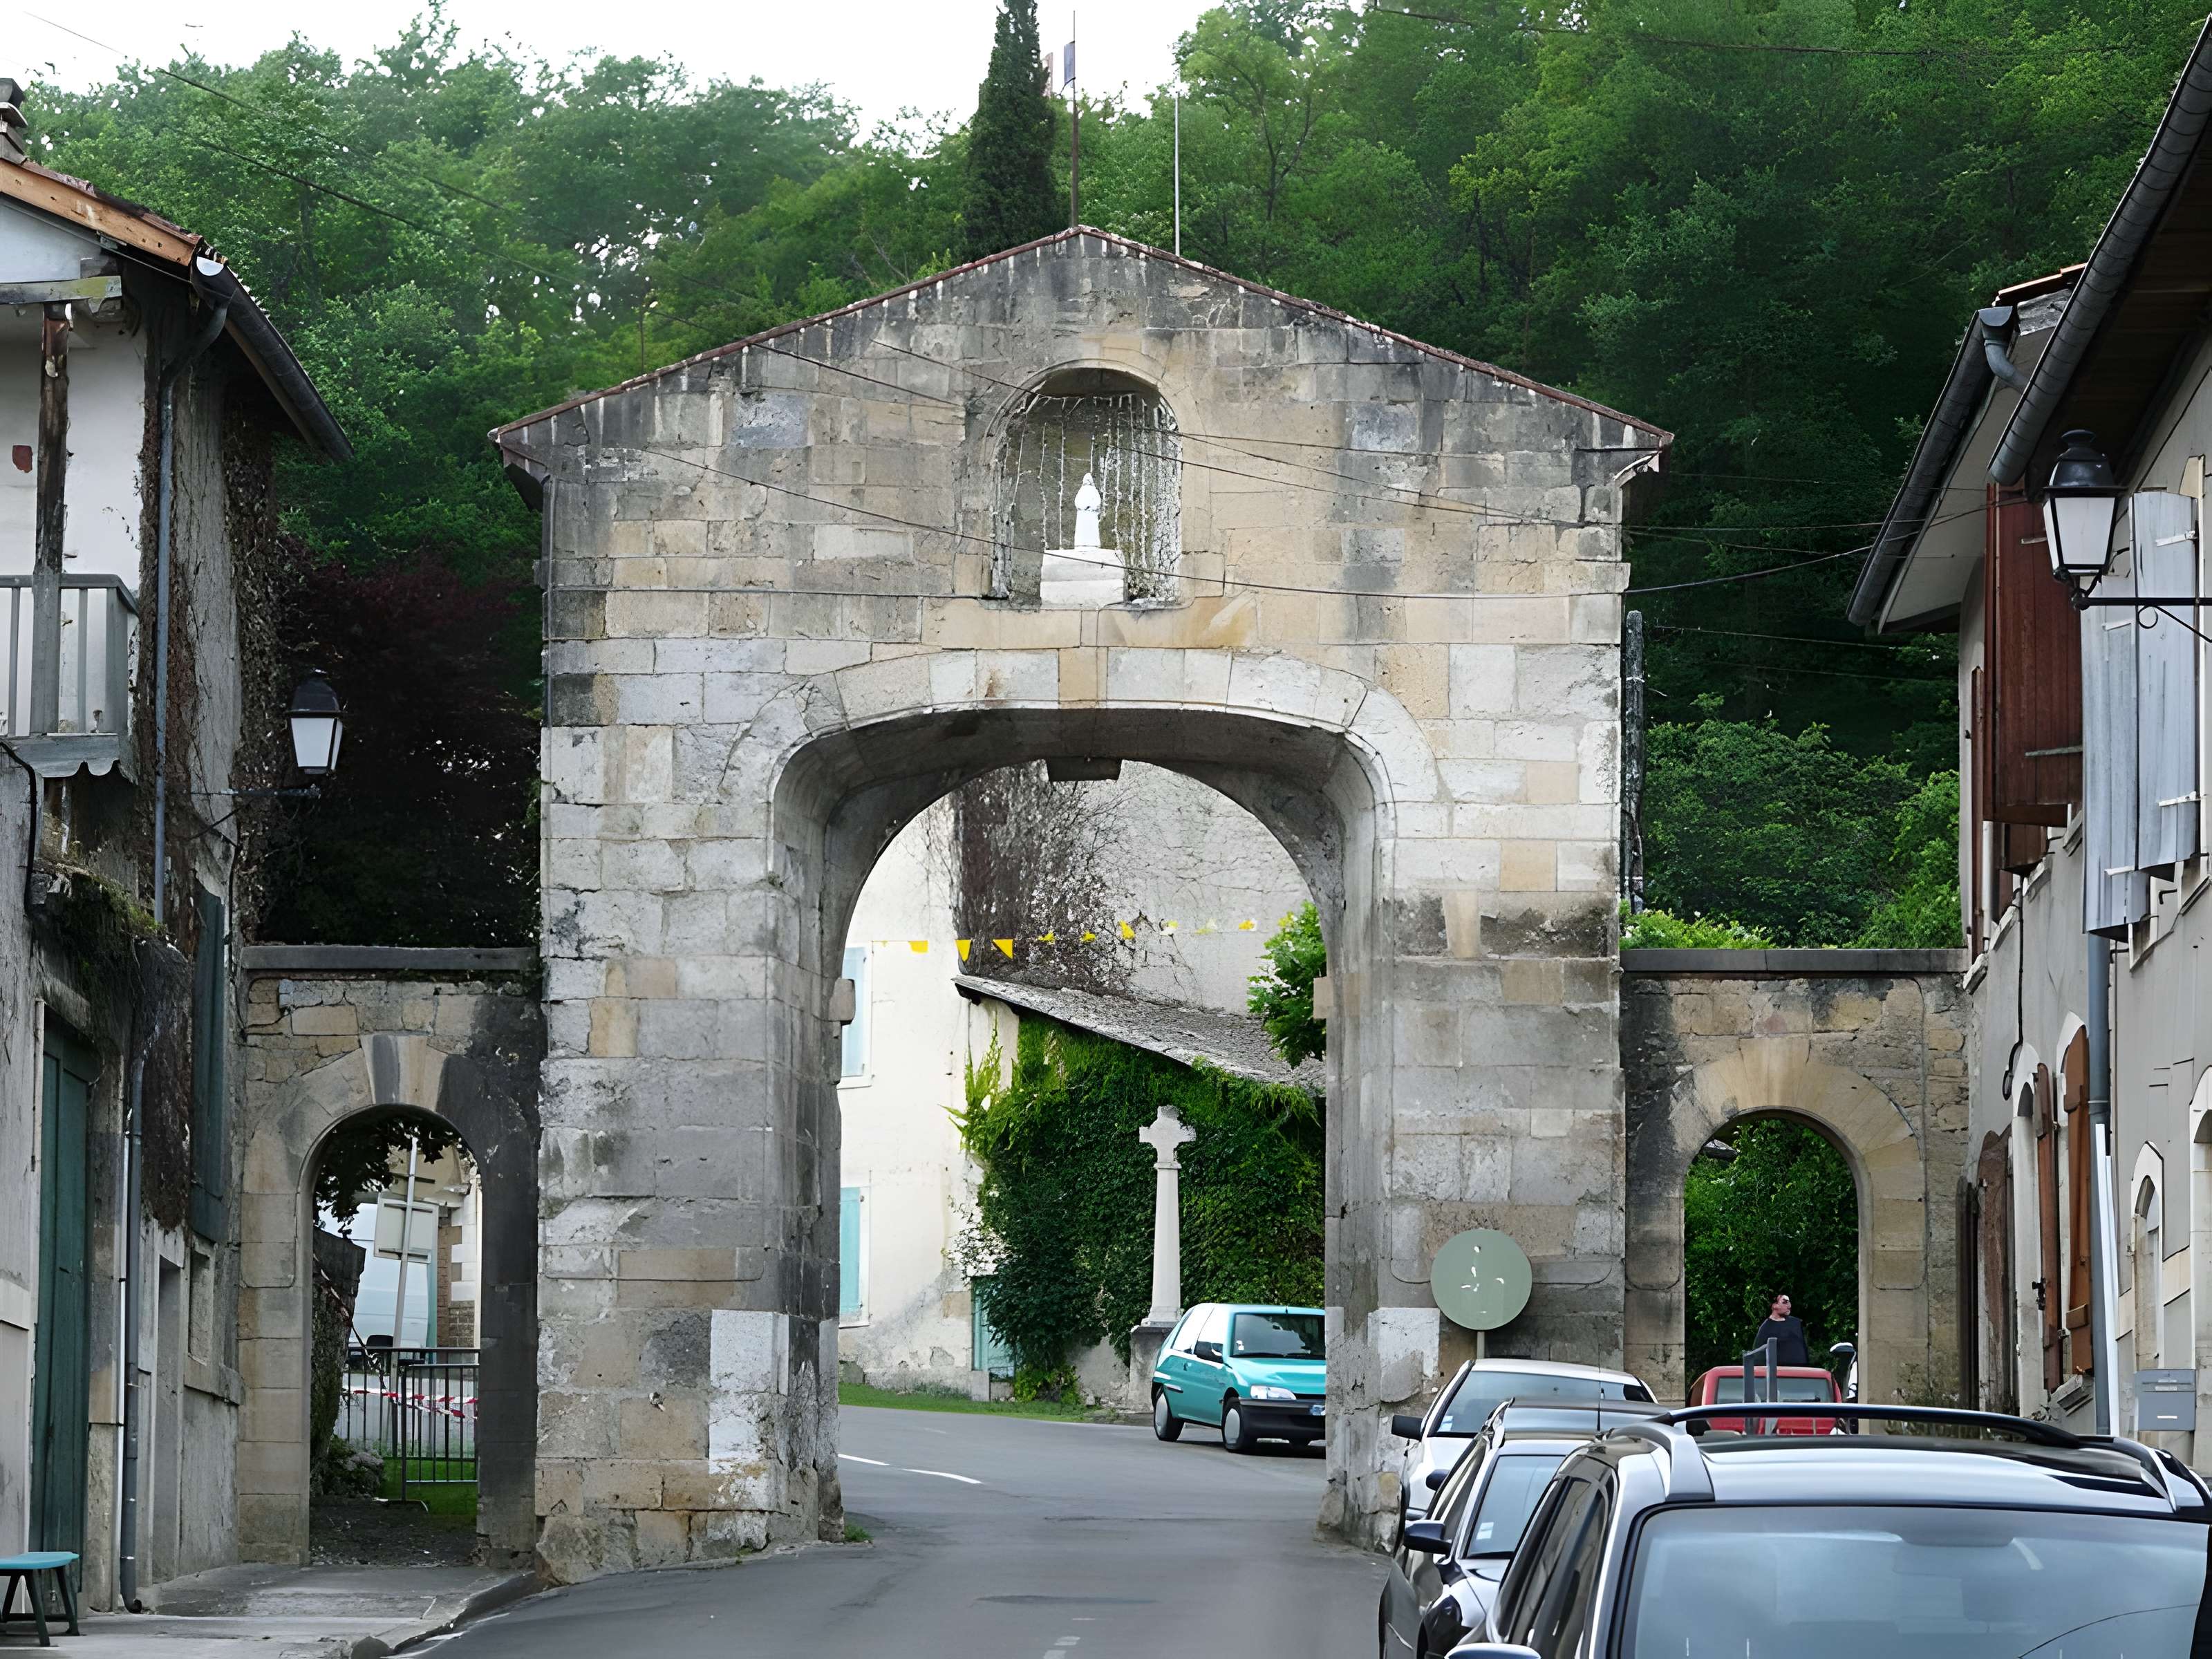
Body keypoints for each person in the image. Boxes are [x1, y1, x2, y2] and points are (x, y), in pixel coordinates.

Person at [1753, 1293, 1810, 1367]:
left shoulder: (1796, 1322)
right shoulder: (1766, 1328)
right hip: (1779, 1370)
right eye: (1785, 1302)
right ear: (1775, 1306)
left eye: (1789, 1302)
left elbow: (1803, 1348)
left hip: (1803, 1370)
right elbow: (1758, 1356)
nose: (1789, 1305)